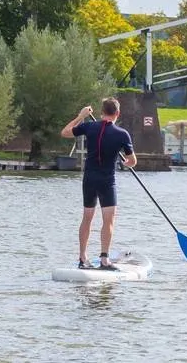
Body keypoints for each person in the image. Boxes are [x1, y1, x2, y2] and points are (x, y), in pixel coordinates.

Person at [61, 97, 137, 270]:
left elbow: (65, 132)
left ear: (102, 112)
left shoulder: (89, 127)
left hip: (89, 180)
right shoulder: (122, 134)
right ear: (117, 113)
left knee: (87, 218)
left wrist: (80, 116)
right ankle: (104, 259)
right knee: (108, 221)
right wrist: (126, 163)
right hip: (107, 182)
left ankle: (82, 258)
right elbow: (132, 161)